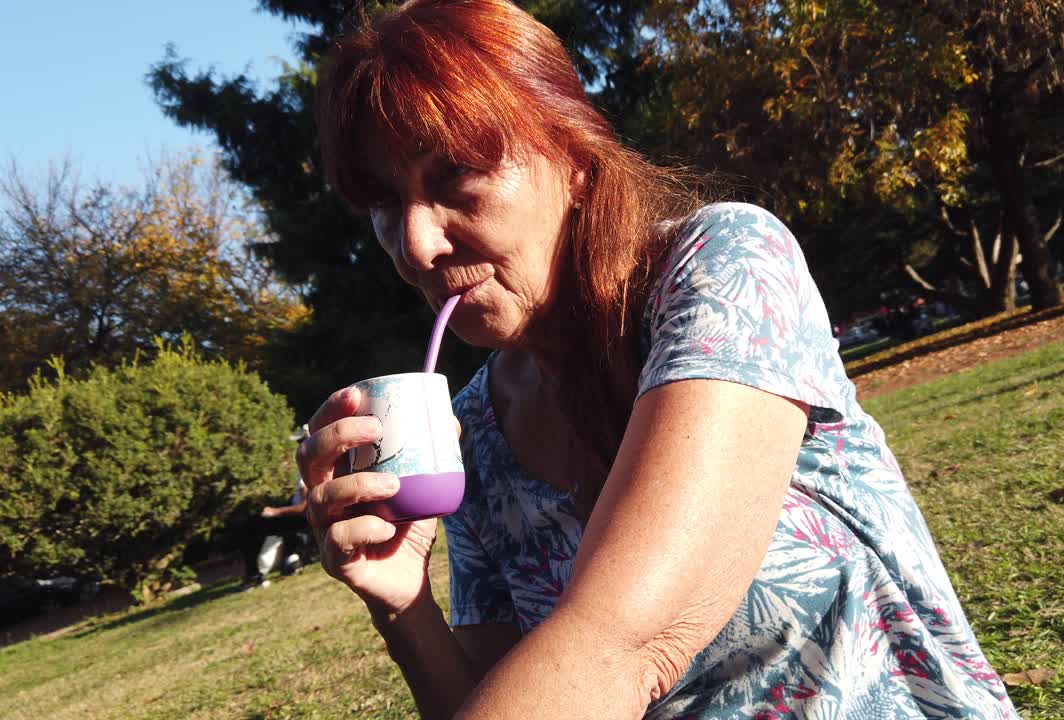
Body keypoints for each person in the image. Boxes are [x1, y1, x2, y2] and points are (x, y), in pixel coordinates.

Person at [299, 1, 1018, 717]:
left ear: (574, 158)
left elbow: (624, 643)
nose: (417, 245)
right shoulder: (473, 435)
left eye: (456, 173)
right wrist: (403, 607)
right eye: (386, 205)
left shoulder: (721, 267)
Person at [239, 428, 312, 589]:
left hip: (304, 518)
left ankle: (254, 576)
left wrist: (275, 511)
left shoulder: (309, 465)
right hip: (301, 516)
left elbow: (304, 507)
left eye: (300, 441)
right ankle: (289, 560)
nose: (297, 446)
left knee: (250, 527)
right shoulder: (306, 464)